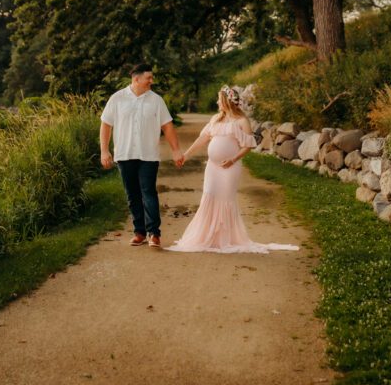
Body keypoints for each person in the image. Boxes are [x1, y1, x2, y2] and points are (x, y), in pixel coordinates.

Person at [167, 86, 298, 254]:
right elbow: (202, 139)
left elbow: (248, 145)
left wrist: (233, 159)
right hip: (213, 168)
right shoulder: (216, 119)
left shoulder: (242, 121)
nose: (216, 102)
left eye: (218, 99)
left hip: (230, 167)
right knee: (209, 195)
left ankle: (224, 239)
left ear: (226, 101)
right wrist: (185, 155)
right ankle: (206, 236)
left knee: (225, 200)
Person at [100, 63, 184, 248]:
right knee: (132, 195)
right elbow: (106, 125)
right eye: (148, 78)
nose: (151, 81)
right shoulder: (117, 99)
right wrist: (104, 151)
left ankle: (154, 233)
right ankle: (139, 232)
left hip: (148, 155)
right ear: (136, 78)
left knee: (148, 192)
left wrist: (176, 149)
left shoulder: (156, 100)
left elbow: (167, 126)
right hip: (125, 153)